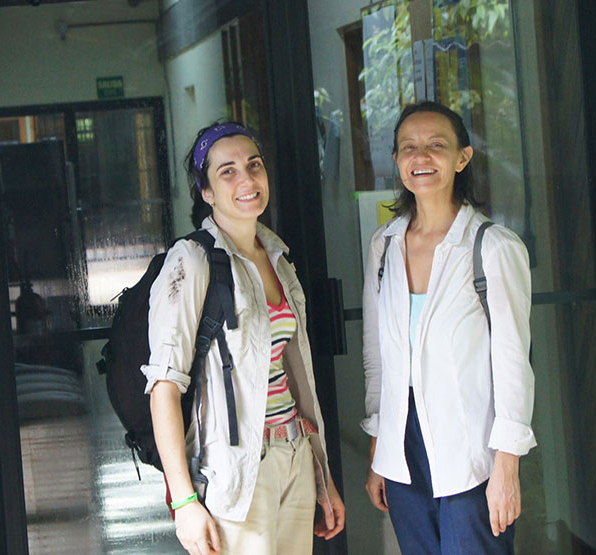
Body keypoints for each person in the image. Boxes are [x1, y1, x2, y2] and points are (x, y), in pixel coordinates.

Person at [142, 122, 346, 555]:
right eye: (227, 171)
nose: (247, 180)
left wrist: (320, 472)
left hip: (294, 454)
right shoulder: (193, 261)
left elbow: (292, 377)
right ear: (206, 191)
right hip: (235, 473)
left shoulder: (278, 257)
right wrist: (184, 501)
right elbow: (164, 388)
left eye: (254, 165)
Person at [360, 102, 536, 554]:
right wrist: (381, 453)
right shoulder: (384, 245)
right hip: (404, 450)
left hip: (472, 454)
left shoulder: (492, 247)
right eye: (409, 148)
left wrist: (507, 469)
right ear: (397, 161)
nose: (422, 157)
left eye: (436, 146)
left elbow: (514, 362)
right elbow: (378, 356)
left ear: (462, 158)